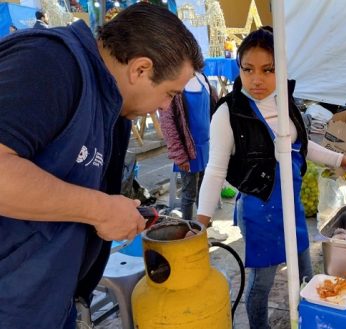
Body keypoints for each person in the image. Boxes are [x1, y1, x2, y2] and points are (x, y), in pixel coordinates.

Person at [0, 3, 202, 328]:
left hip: (47, 302)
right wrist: (98, 209)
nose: (166, 107)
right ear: (140, 69)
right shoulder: (49, 63)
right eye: (169, 94)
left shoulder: (109, 104)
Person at [196, 26, 346, 329]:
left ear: (280, 69)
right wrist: (201, 222)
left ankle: (307, 321)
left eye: (268, 70)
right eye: (248, 69)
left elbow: (303, 148)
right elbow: (215, 170)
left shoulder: (286, 103)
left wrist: (344, 160)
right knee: (261, 281)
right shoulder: (228, 113)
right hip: (259, 211)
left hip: (290, 205)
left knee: (306, 273)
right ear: (238, 68)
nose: (257, 79)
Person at [159, 72, 213, 220]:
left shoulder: (203, 78)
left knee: (204, 190)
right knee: (189, 194)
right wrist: (179, 155)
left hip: (206, 147)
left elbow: (212, 109)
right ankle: (187, 229)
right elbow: (167, 124)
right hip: (188, 150)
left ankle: (203, 226)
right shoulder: (173, 84)